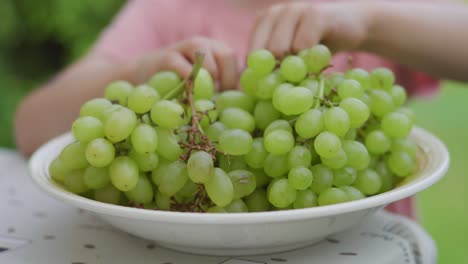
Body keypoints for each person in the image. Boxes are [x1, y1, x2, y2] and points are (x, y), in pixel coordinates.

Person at [14, 0, 468, 218]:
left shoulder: (364, 11)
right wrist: (139, 70)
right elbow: (31, 125)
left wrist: (373, 22)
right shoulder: (163, 12)